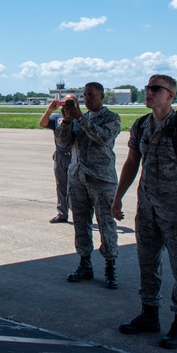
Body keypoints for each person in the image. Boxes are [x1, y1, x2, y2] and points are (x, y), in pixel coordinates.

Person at [113, 74, 177, 349]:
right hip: (147, 210)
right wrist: (118, 196)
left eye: (156, 89)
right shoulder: (141, 125)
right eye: (147, 88)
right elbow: (132, 163)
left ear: (170, 95)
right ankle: (149, 315)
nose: (149, 92)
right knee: (147, 263)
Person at [57, 83, 122, 288]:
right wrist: (66, 122)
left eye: (92, 95)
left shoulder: (111, 118)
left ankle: (110, 266)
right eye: (85, 95)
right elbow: (63, 142)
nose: (88, 98)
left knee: (106, 224)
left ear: (102, 96)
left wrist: (79, 118)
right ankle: (84, 263)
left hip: (101, 179)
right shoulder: (78, 118)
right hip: (78, 178)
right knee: (80, 224)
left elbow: (102, 138)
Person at [40, 93, 75, 223]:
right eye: (65, 103)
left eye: (71, 103)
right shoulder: (57, 117)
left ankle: (78, 214)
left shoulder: (80, 117)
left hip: (75, 156)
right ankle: (62, 213)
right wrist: (49, 110)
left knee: (76, 188)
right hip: (60, 156)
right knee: (61, 186)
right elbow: (43, 123)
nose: (67, 106)